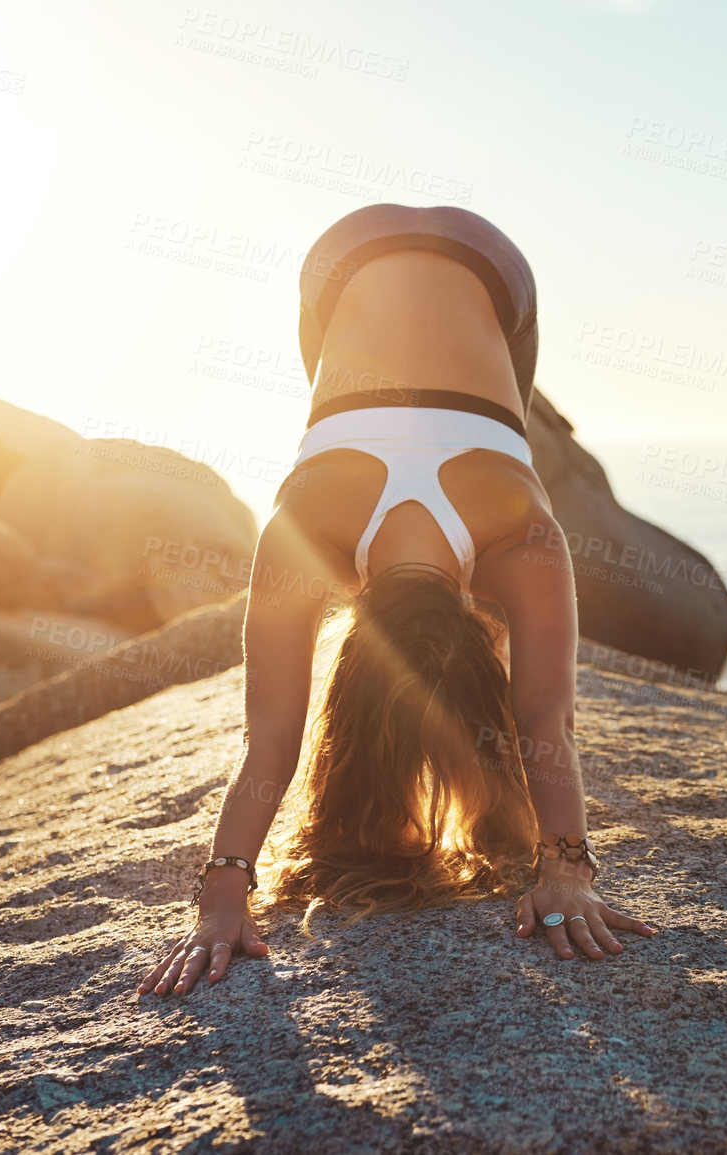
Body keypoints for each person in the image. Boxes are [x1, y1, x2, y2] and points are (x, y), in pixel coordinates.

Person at [139, 205, 655, 998]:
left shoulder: (323, 528)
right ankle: (480, 796)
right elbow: (546, 722)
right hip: (467, 260)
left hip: (360, 252)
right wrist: (566, 871)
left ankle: (450, 795)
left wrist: (222, 898)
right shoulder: (508, 536)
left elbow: (268, 741)